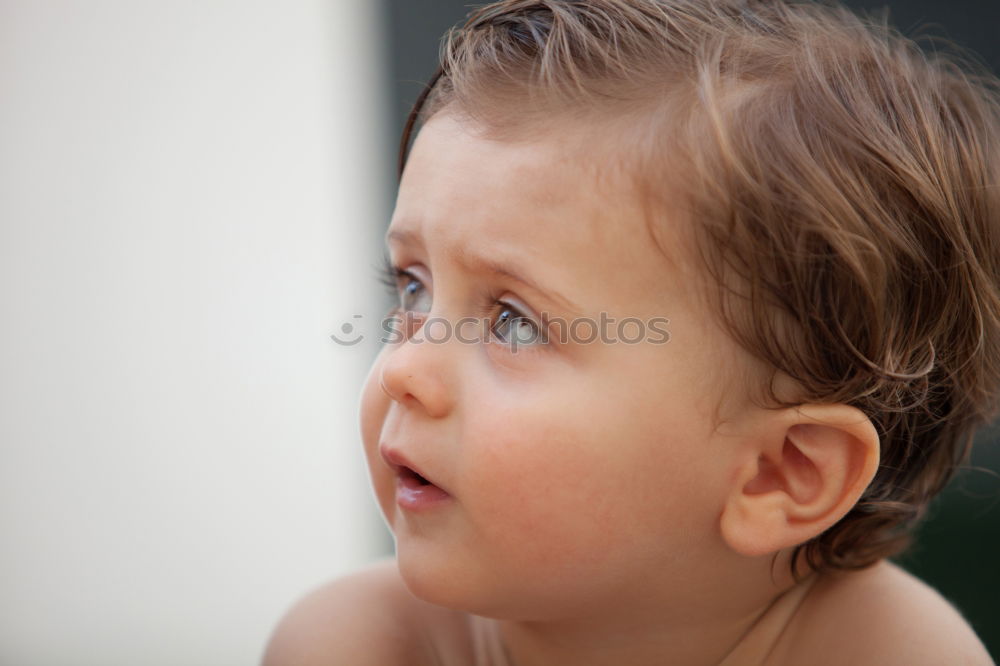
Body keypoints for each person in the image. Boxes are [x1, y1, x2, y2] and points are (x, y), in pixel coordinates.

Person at [264, 1, 1000, 663]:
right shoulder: (357, 643)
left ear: (780, 473)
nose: (402, 371)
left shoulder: (893, 653)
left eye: (515, 324)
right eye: (414, 286)